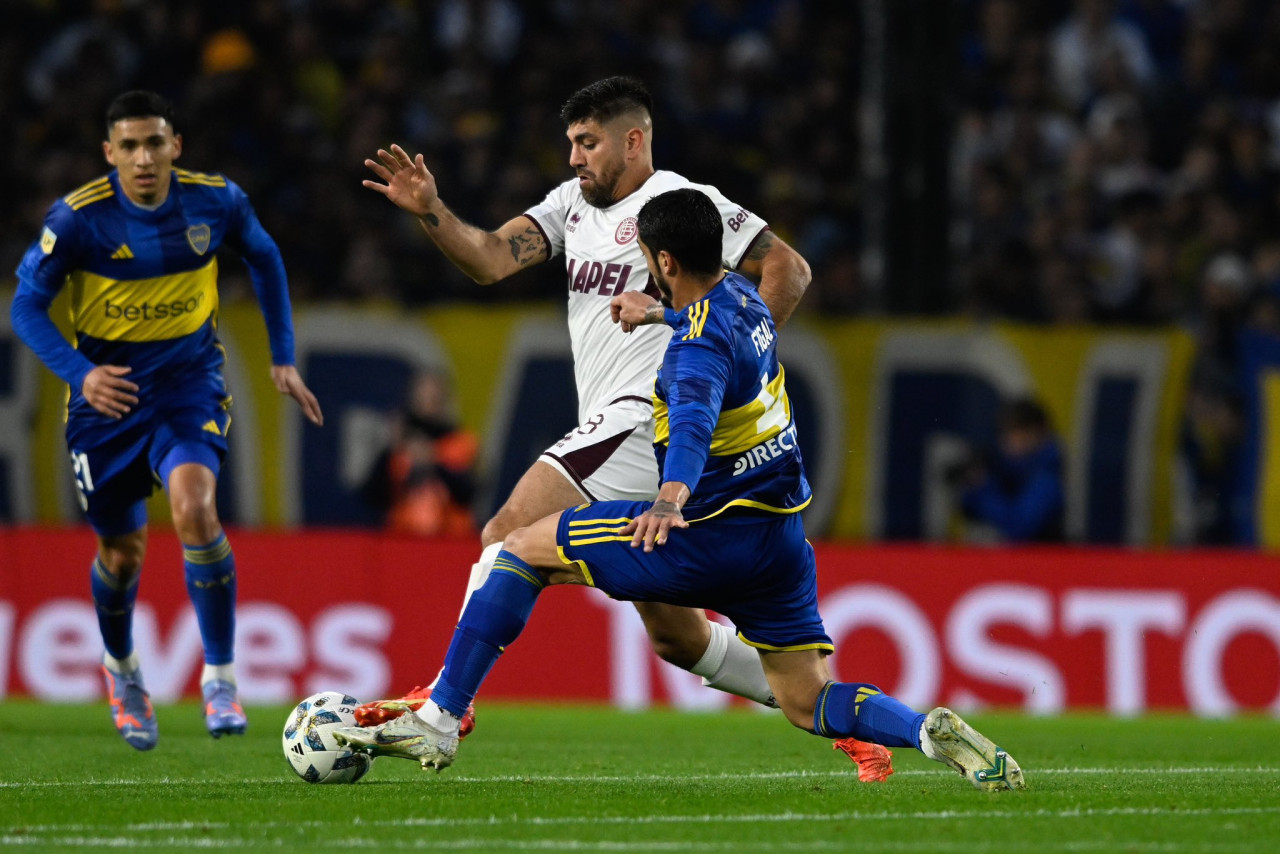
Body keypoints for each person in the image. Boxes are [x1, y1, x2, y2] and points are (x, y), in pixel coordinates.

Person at [334, 188, 1026, 792]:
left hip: (707, 532)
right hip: (779, 541)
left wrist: (668, 500)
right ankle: (925, 732)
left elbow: (692, 420)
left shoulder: (692, 355)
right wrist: (659, 317)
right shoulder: (746, 302)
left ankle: (442, 718)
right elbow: (712, 334)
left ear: (665, 263)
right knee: (807, 699)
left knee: (517, 547)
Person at [353, 76, 891, 780]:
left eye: (588, 143)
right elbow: (488, 259)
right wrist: (431, 212)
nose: (575, 158)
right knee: (677, 636)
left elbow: (788, 265)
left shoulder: (680, 205)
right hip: (621, 426)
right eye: (570, 144)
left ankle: (445, 706)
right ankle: (836, 715)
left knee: (504, 533)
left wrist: (729, 357)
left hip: (645, 414)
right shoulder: (568, 205)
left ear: (633, 141)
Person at [9, 90, 324, 750]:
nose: (143, 158)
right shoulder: (76, 220)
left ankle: (220, 675)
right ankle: (123, 672)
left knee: (195, 510)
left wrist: (283, 357)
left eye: (155, 143)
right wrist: (81, 375)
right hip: (108, 399)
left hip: (187, 385)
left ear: (175, 146)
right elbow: (26, 309)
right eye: (128, 146)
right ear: (109, 154)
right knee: (121, 556)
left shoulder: (216, 201)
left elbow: (264, 256)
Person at [360, 368, 478, 537]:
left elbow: (468, 493)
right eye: (424, 394)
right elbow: (372, 497)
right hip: (402, 539)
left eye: (435, 395)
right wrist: (391, 450)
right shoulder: (398, 447)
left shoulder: (461, 442)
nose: (430, 400)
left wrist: (433, 461)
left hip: (451, 541)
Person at [955, 396, 1066, 543]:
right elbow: (968, 509)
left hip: (1041, 561)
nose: (1008, 441)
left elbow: (1020, 528)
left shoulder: (1047, 477)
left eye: (1015, 432)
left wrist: (983, 489)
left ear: (1035, 432)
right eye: (1005, 433)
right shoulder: (1005, 469)